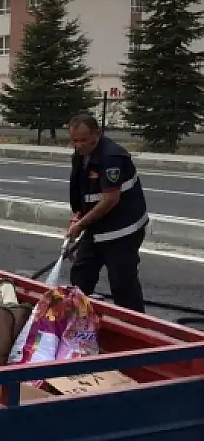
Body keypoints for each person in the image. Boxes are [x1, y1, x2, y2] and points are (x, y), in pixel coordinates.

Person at [66, 114, 149, 313]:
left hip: (123, 231)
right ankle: (74, 324)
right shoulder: (80, 156)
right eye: (74, 141)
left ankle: (136, 328)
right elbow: (84, 193)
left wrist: (81, 225)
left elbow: (110, 199)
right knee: (80, 277)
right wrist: (77, 217)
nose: (78, 145)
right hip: (96, 228)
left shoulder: (112, 158)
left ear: (98, 134)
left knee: (122, 283)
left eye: (83, 140)